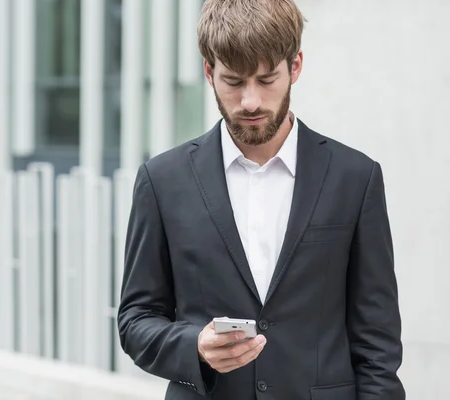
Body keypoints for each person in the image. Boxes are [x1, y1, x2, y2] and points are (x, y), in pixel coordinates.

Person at [117, 0, 405, 398]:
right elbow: (136, 320)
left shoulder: (355, 177)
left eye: (267, 79)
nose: (250, 101)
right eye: (233, 81)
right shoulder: (162, 180)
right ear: (208, 72)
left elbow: (377, 341)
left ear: (296, 67)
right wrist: (195, 348)